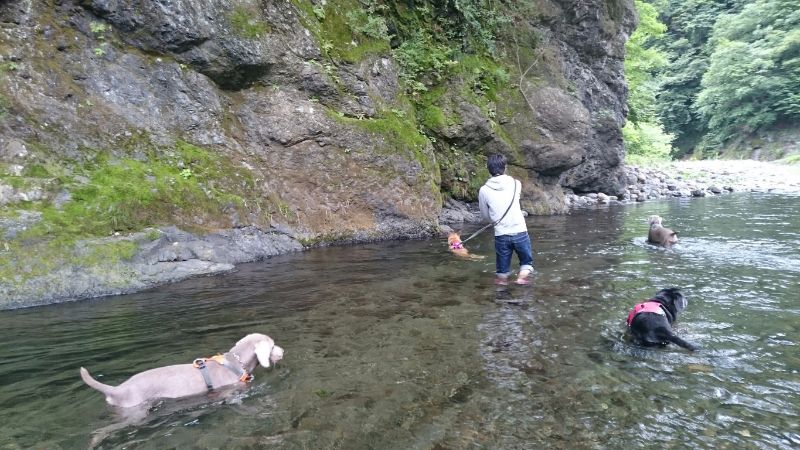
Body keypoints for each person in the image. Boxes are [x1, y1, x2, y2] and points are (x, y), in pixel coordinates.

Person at [478, 153, 534, 285]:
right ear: (505, 167)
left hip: (501, 235)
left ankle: (502, 297)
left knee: (502, 272)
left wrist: (493, 220)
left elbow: (485, 215)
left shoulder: (484, 190)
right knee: (526, 264)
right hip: (520, 231)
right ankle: (521, 279)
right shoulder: (516, 184)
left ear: (488, 169)